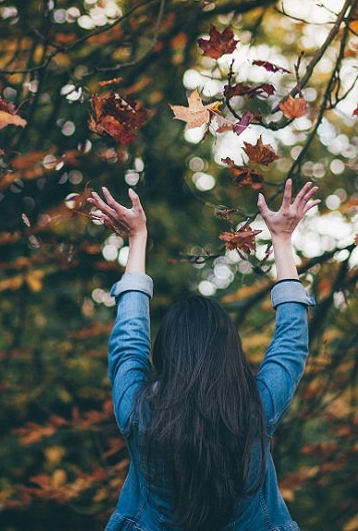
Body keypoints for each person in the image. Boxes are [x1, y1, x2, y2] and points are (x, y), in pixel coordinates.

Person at [88, 179, 320, 531]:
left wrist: (137, 239)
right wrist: (282, 240)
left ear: (166, 353)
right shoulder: (257, 409)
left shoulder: (139, 413)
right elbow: (291, 343)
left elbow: (129, 340)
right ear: (230, 353)